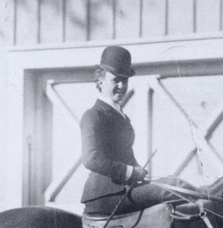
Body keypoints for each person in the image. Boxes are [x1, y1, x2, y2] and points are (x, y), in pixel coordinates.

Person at [80, 45, 187, 216]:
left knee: (174, 184)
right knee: (173, 188)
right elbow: (90, 159)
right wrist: (130, 172)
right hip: (105, 197)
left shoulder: (121, 116)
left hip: (123, 191)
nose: (122, 86)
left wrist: (136, 166)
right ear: (100, 80)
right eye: (116, 80)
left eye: (125, 80)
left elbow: (123, 154)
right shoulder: (93, 115)